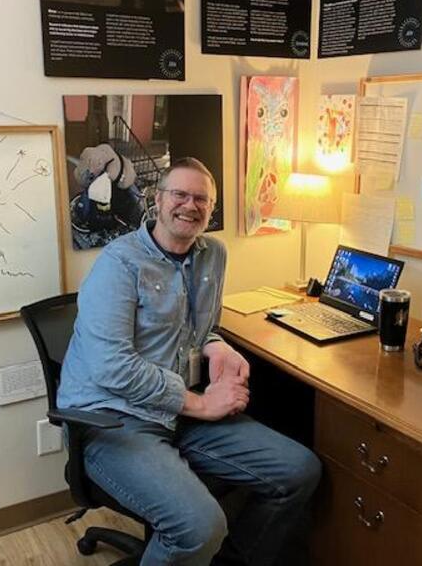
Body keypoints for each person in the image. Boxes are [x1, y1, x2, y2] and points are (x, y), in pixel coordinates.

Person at [58, 157, 321, 565]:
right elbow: (111, 366)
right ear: (157, 200)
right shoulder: (119, 263)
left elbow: (195, 328)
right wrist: (201, 403)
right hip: (113, 421)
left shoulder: (211, 255)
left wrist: (217, 345)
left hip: (178, 414)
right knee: (199, 527)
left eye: (202, 199)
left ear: (211, 209)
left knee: (298, 470)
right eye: (180, 194)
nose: (190, 205)